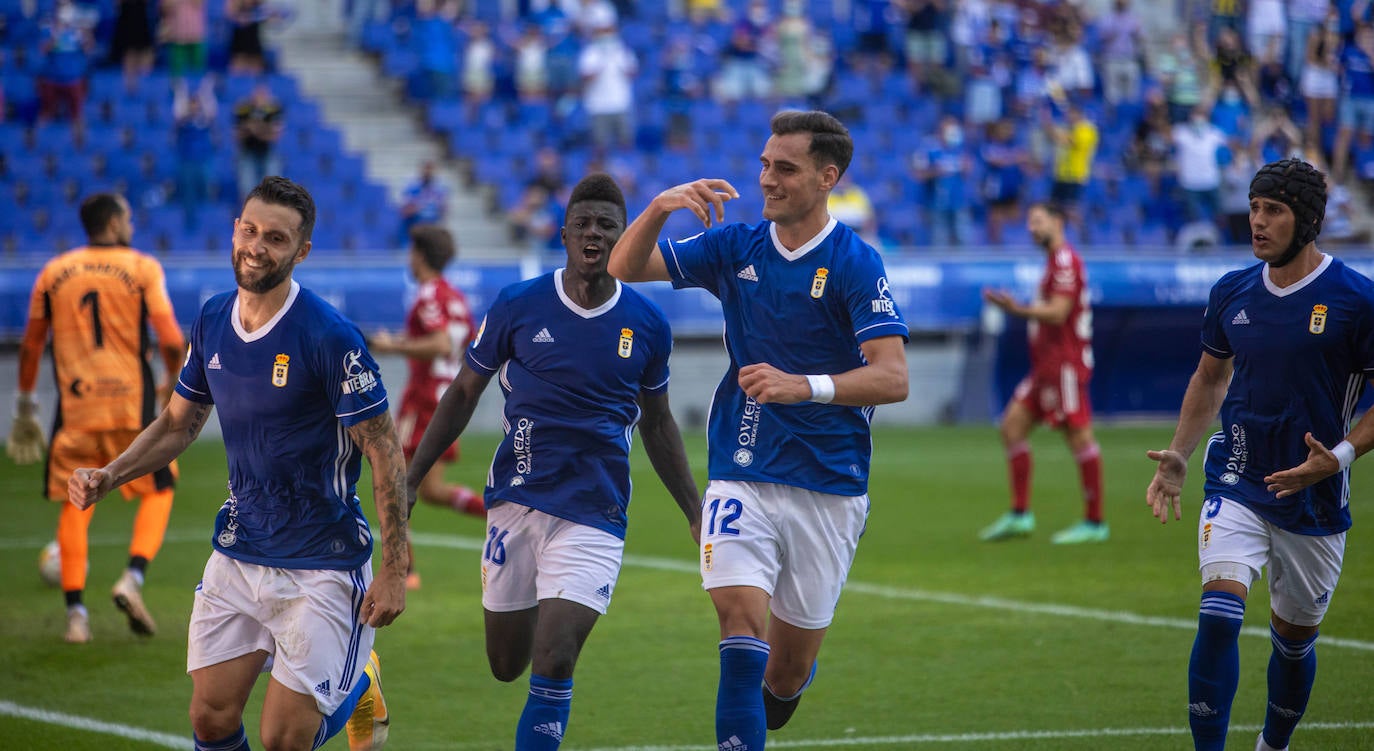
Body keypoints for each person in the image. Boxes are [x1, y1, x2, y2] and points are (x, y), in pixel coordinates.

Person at [67, 177, 407, 751]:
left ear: (301, 251)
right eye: (250, 230)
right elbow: (177, 424)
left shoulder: (330, 337)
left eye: (276, 238)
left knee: (283, 740)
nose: (256, 247)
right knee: (210, 719)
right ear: (234, 230)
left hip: (322, 560)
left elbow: (385, 450)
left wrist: (395, 568)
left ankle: (360, 682)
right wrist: (109, 475)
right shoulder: (212, 319)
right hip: (239, 547)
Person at [607, 110, 910, 749]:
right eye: (765, 165)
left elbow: (893, 377)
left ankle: (788, 682)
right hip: (740, 470)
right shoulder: (735, 246)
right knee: (740, 634)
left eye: (786, 168)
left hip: (830, 484)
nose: (767, 179)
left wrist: (805, 386)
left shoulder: (856, 263)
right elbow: (625, 267)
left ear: (827, 178)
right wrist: (660, 207)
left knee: (783, 675)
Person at [404, 172, 701, 750]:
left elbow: (659, 423)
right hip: (516, 501)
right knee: (505, 663)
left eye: (607, 226)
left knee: (555, 656)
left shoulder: (647, 324)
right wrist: (411, 479)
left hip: (595, 511)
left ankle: (565, 602)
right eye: (582, 224)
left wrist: (695, 510)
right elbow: (463, 391)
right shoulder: (518, 304)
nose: (594, 234)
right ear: (564, 234)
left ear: (623, 237)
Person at [1145, 158, 1374, 751]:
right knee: (1218, 617)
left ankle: (1273, 745)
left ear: (1309, 221)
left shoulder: (1356, 299)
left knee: (1293, 644)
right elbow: (1210, 377)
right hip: (1237, 477)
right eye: (1253, 207)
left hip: (1314, 499)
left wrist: (1338, 457)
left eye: (1273, 210)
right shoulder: (1232, 290)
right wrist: (1179, 454)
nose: (1257, 221)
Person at [6, 193, 184, 644]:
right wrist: (172, 382)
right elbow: (170, 340)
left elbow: (31, 345)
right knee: (161, 487)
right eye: (128, 217)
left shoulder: (53, 272)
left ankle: (76, 617)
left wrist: (24, 402)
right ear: (114, 222)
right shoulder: (142, 267)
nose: (132, 225)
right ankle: (132, 578)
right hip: (132, 407)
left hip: (76, 410)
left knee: (76, 500)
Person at [978, 202, 1107, 544]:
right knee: (1012, 427)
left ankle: (1095, 522)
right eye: (1030, 222)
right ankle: (1020, 515)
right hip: (1045, 367)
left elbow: (1059, 312)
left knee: (1079, 436)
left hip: (1065, 365)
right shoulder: (1053, 262)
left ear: (1058, 221)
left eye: (1038, 221)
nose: (1032, 228)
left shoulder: (1065, 260)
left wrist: (1017, 309)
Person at [367, 223, 484, 591]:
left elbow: (439, 344)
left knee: (392, 481)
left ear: (419, 255)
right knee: (430, 489)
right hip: (446, 400)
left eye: (411, 251)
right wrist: (402, 341)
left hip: (423, 401)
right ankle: (501, 515)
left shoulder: (429, 294)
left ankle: (405, 571)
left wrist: (392, 347)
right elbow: (458, 345)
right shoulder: (456, 298)